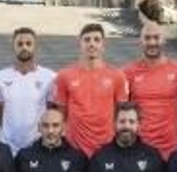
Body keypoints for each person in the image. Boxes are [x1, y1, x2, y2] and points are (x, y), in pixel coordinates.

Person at [55, 23, 129, 158]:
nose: (91, 44)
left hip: (106, 147)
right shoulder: (64, 75)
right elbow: (61, 112)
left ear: (103, 44)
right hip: (74, 148)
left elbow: (120, 111)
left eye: (96, 40)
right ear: (80, 43)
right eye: (87, 39)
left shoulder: (117, 76)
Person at [123, 21, 177, 158]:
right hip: (138, 147)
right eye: (147, 38)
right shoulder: (127, 72)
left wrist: (172, 126)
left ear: (164, 40)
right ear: (141, 40)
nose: (152, 42)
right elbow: (122, 110)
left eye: (156, 37)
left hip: (170, 148)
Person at [0, 27, 56, 155]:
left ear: (35, 46)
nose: (24, 47)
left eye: (28, 43)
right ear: (13, 47)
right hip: (7, 146)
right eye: (19, 44)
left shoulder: (50, 77)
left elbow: (50, 110)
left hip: (38, 146)